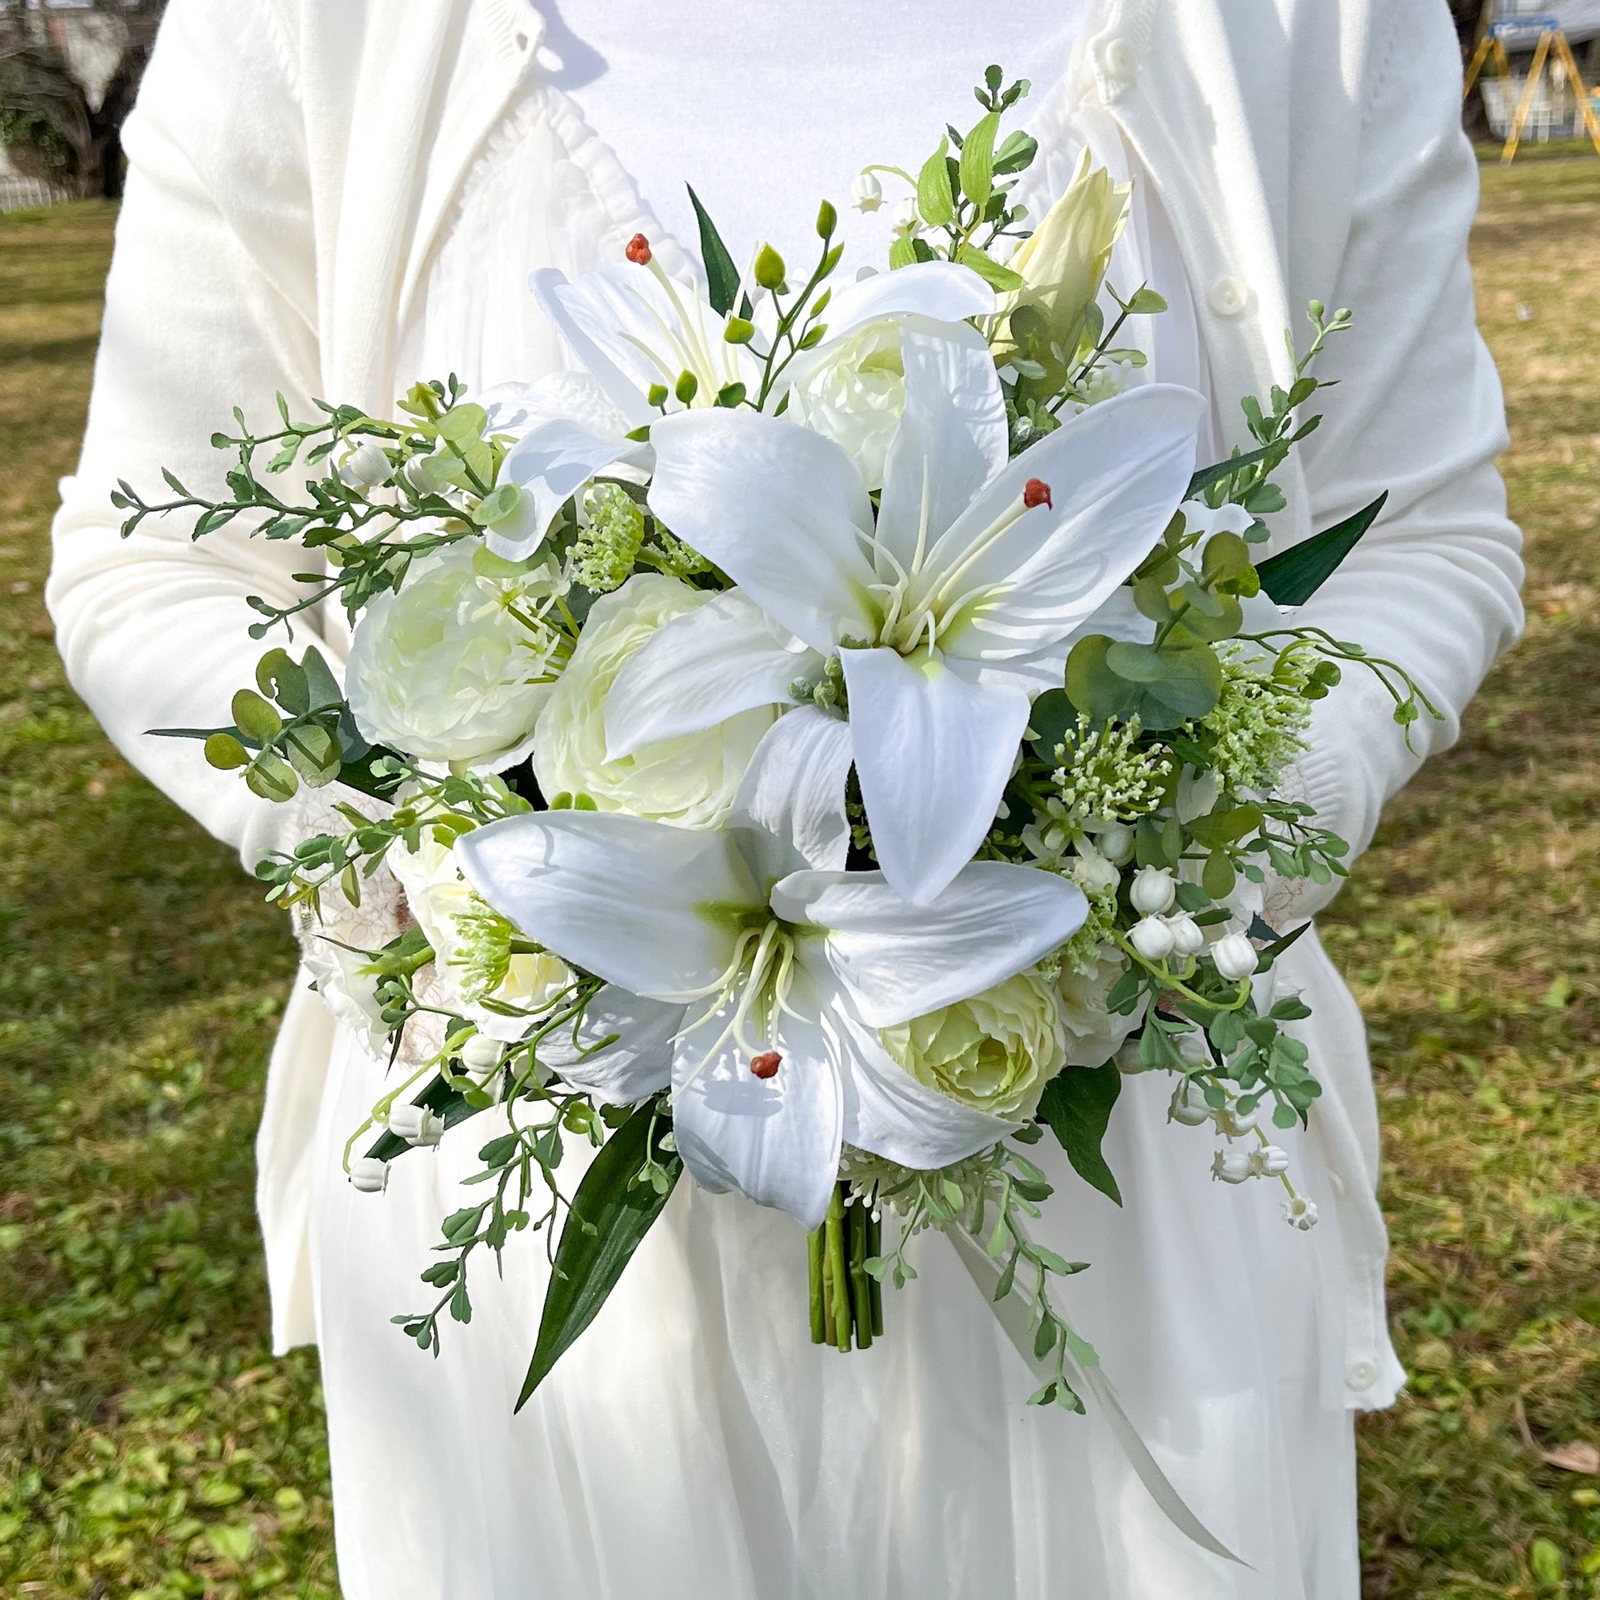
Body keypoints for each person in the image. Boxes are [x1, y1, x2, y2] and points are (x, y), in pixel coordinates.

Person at [46, 3, 1524, 1596]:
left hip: (1125, 1211)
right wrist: (413, 857)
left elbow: (1426, 530)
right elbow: (149, 565)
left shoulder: (1299, 20)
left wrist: (1214, 820)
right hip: (548, 1198)